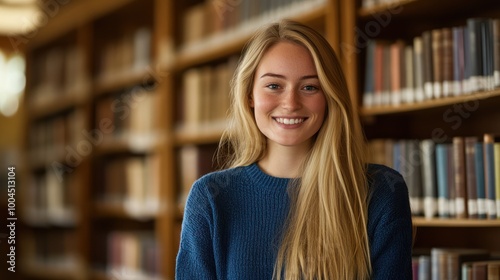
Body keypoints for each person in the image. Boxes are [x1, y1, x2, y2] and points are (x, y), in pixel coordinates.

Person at [175, 19, 413, 279]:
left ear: (329, 97)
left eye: (309, 87)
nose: (290, 103)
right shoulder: (210, 198)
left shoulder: (380, 191)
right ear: (250, 95)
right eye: (274, 86)